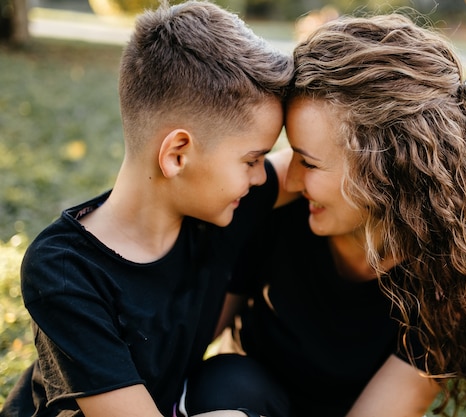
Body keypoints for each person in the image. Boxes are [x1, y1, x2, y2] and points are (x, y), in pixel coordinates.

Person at [185, 13, 466, 417]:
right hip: (242, 401)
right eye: (291, 154)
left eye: (307, 162)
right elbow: (179, 350)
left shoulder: (448, 276)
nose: (288, 180)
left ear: (387, 170)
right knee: (223, 383)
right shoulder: (274, 212)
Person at [0, 2, 294, 417]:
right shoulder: (65, 272)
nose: (262, 175)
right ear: (177, 154)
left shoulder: (221, 204)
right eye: (251, 160)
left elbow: (320, 163)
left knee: (242, 387)